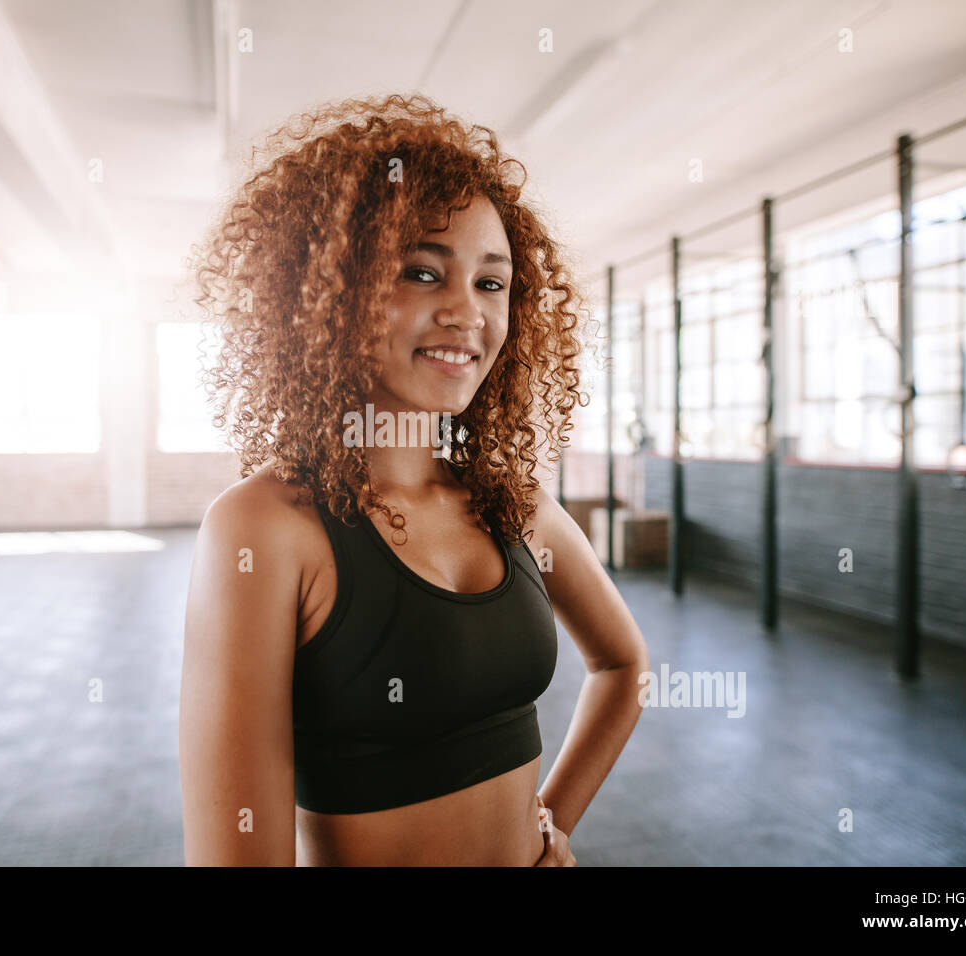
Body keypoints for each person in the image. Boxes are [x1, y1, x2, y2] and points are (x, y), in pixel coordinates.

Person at [179, 93, 648, 866]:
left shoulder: (512, 501)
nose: (467, 311)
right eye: (424, 272)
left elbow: (624, 666)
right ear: (325, 295)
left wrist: (554, 826)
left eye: (491, 284)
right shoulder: (264, 528)